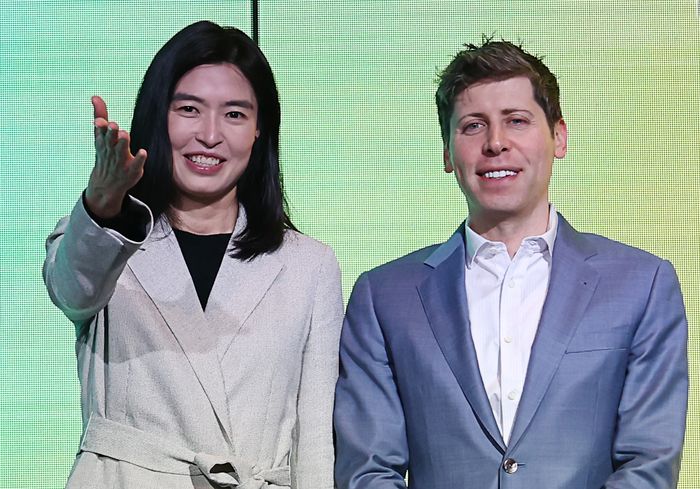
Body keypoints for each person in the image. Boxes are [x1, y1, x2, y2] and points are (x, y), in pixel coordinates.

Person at [334, 39, 688, 489]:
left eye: (516, 121)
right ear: (447, 152)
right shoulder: (384, 296)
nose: (496, 143)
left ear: (559, 136)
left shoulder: (642, 284)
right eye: (473, 126)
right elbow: (368, 470)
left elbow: (649, 464)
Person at [43, 21, 342, 489]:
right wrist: (101, 206)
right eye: (189, 109)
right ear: (158, 116)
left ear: (260, 129)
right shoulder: (110, 236)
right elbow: (72, 291)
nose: (209, 135)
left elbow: (316, 440)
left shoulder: (310, 265)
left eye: (235, 114)